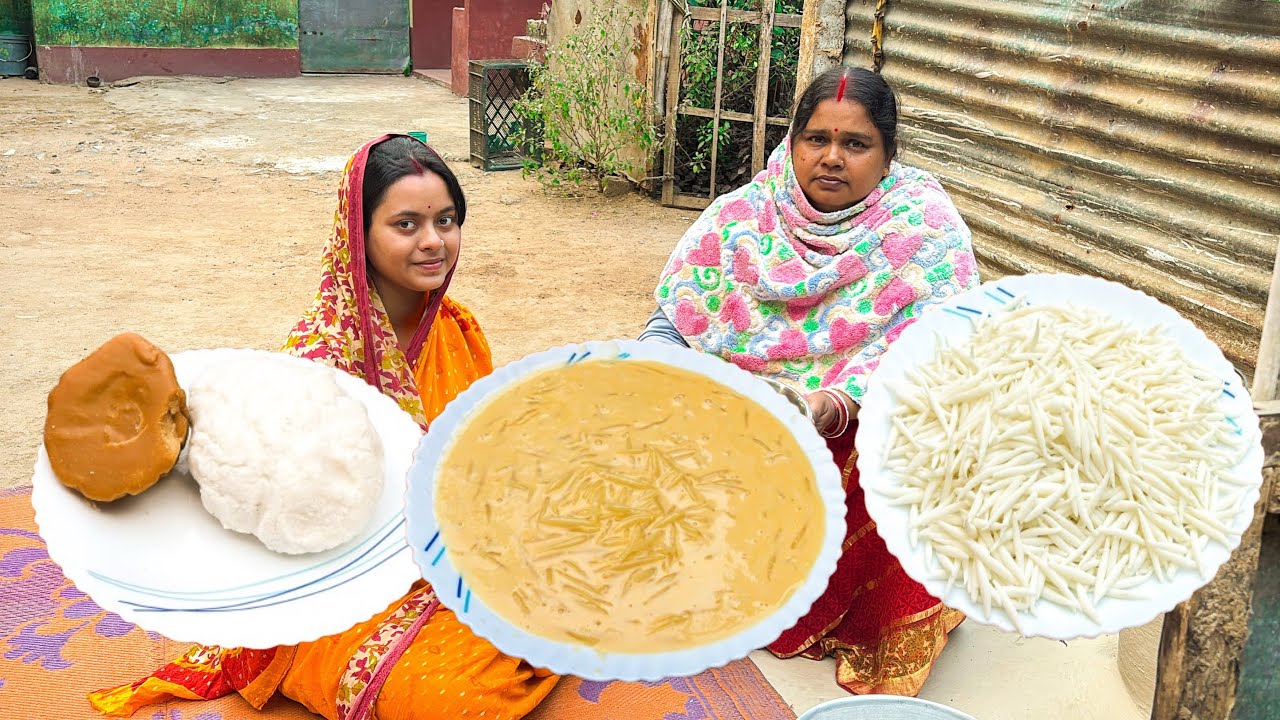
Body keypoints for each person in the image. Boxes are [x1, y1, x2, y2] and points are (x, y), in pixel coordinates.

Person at [89, 135, 559, 719]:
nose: (434, 241)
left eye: (447, 220)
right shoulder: (320, 357)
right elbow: (289, 519)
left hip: (459, 546)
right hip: (351, 584)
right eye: (407, 224)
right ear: (357, 235)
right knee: (448, 700)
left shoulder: (459, 327)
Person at [640, 67, 975, 696]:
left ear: (888, 156)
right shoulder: (739, 219)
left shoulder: (923, 230)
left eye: (855, 144)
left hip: (857, 428)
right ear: (790, 142)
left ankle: (874, 619)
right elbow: (674, 322)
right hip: (740, 423)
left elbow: (940, 355)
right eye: (815, 138)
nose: (831, 158)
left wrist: (836, 403)